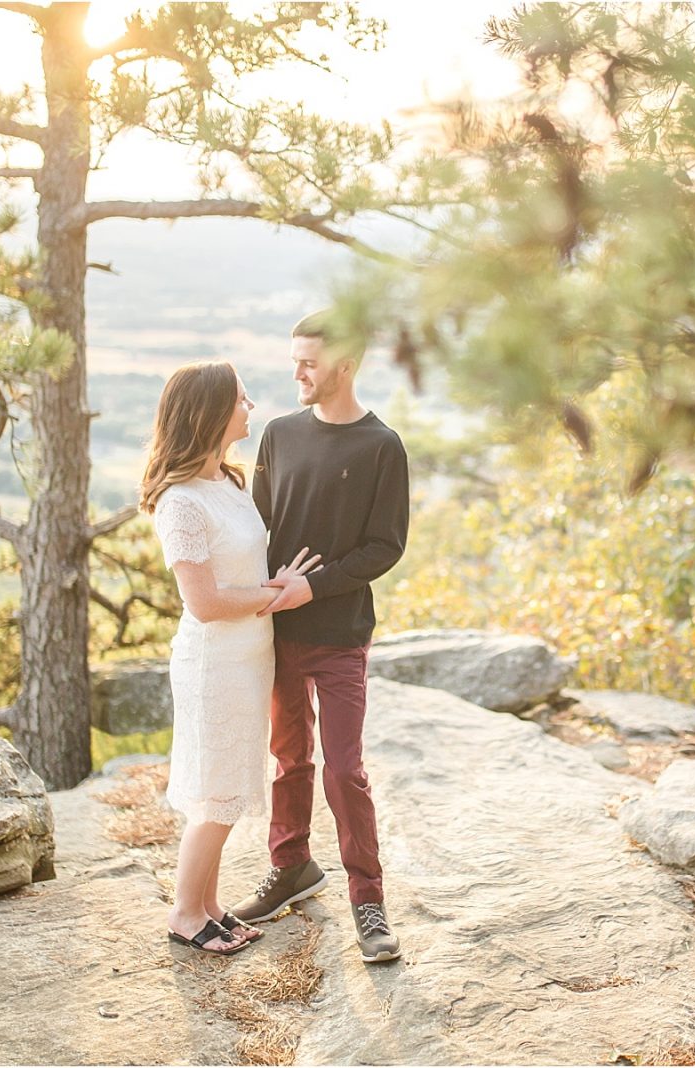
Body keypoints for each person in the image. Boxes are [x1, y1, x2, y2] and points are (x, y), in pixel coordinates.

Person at [231, 312, 410, 964]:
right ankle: (291, 868)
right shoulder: (279, 435)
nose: (297, 372)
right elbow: (257, 528)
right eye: (295, 360)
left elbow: (385, 547)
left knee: (343, 770)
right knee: (289, 761)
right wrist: (262, 587)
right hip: (277, 631)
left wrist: (318, 584)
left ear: (345, 364)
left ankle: (369, 900)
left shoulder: (381, 446)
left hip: (339, 634)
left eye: (309, 361)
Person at [140, 361, 319, 957]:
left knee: (227, 785)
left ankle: (212, 907)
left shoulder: (229, 484)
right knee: (215, 794)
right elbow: (207, 602)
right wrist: (277, 593)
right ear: (211, 414)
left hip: (250, 658)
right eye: (241, 400)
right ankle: (186, 914)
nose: (250, 408)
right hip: (215, 663)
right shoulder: (181, 503)